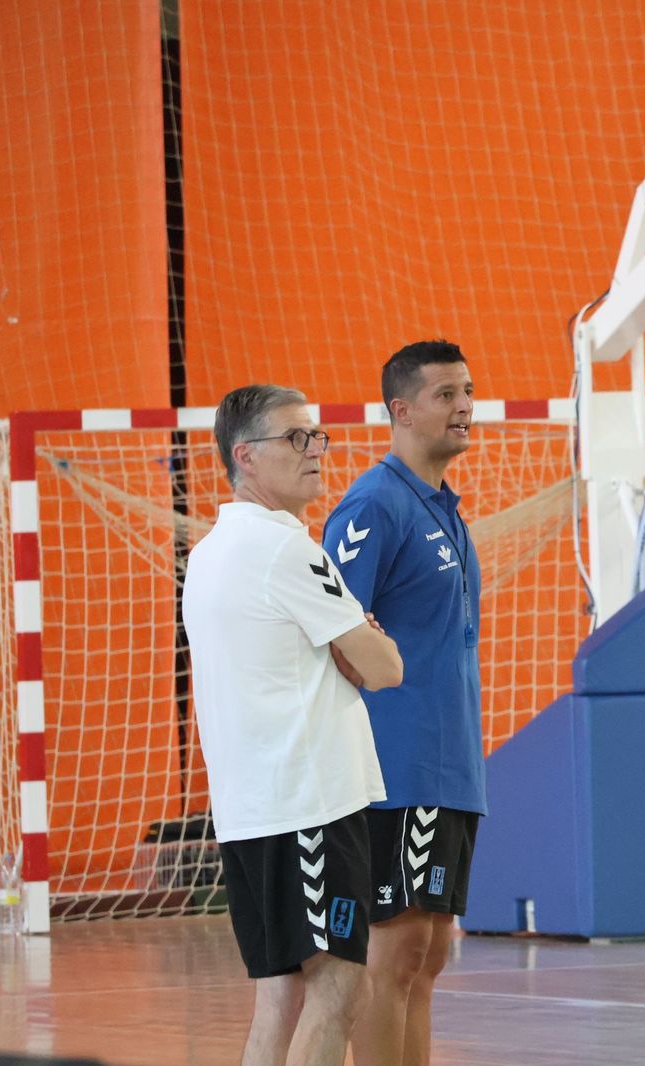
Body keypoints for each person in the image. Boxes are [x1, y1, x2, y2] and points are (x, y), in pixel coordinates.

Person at [182, 384, 403, 1066]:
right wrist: (356, 646)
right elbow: (387, 665)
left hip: (253, 810)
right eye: (295, 439)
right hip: (307, 805)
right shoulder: (289, 552)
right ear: (245, 457)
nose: (314, 451)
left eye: (316, 436)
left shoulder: (212, 552)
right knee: (337, 992)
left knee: (279, 1000)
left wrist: (349, 650)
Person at [322, 340, 486, 1066]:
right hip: (395, 769)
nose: (465, 407)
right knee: (391, 957)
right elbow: (332, 630)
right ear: (401, 409)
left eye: (468, 391)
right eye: (446, 394)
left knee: (430, 955)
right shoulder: (374, 504)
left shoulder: (444, 509)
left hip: (451, 771)